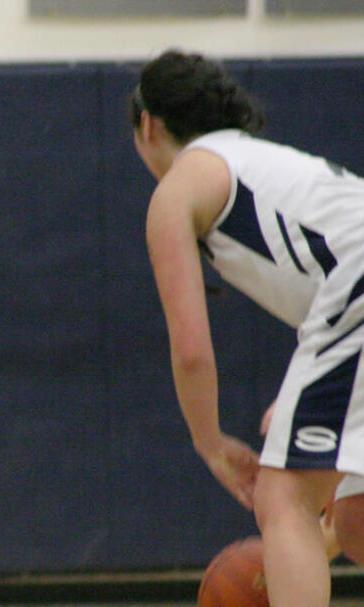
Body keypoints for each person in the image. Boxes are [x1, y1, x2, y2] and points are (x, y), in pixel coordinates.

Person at [132, 49, 364, 606]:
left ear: (148, 125)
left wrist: (209, 442)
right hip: (350, 297)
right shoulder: (260, 161)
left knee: (284, 500)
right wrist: (298, 398)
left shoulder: (179, 189)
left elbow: (191, 349)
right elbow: (324, 286)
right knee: (356, 520)